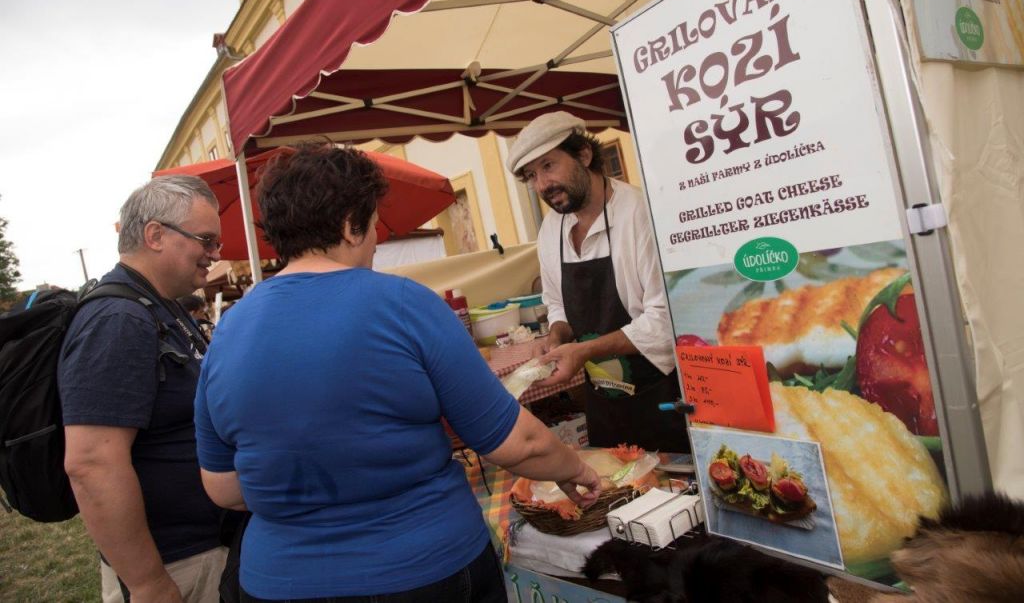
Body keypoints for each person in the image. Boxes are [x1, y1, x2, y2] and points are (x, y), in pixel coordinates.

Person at [194, 144, 601, 603]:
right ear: (350, 225)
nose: (375, 243)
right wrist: (576, 469)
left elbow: (223, 487)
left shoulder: (227, 331)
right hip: (425, 570)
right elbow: (518, 443)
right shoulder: (404, 304)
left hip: (279, 581)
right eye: (372, 226)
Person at [58, 175, 228, 603]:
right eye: (206, 240)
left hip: (197, 554)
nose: (215, 254)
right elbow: (92, 463)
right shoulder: (119, 319)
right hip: (176, 566)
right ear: (155, 235)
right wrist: (148, 583)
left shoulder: (157, 306)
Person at [506, 111, 687, 452]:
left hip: (661, 398)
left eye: (548, 166)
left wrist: (585, 350)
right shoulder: (552, 230)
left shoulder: (639, 213)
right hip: (603, 403)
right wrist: (556, 336)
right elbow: (557, 304)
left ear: (584, 155)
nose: (542, 185)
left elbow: (665, 321)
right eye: (532, 175)